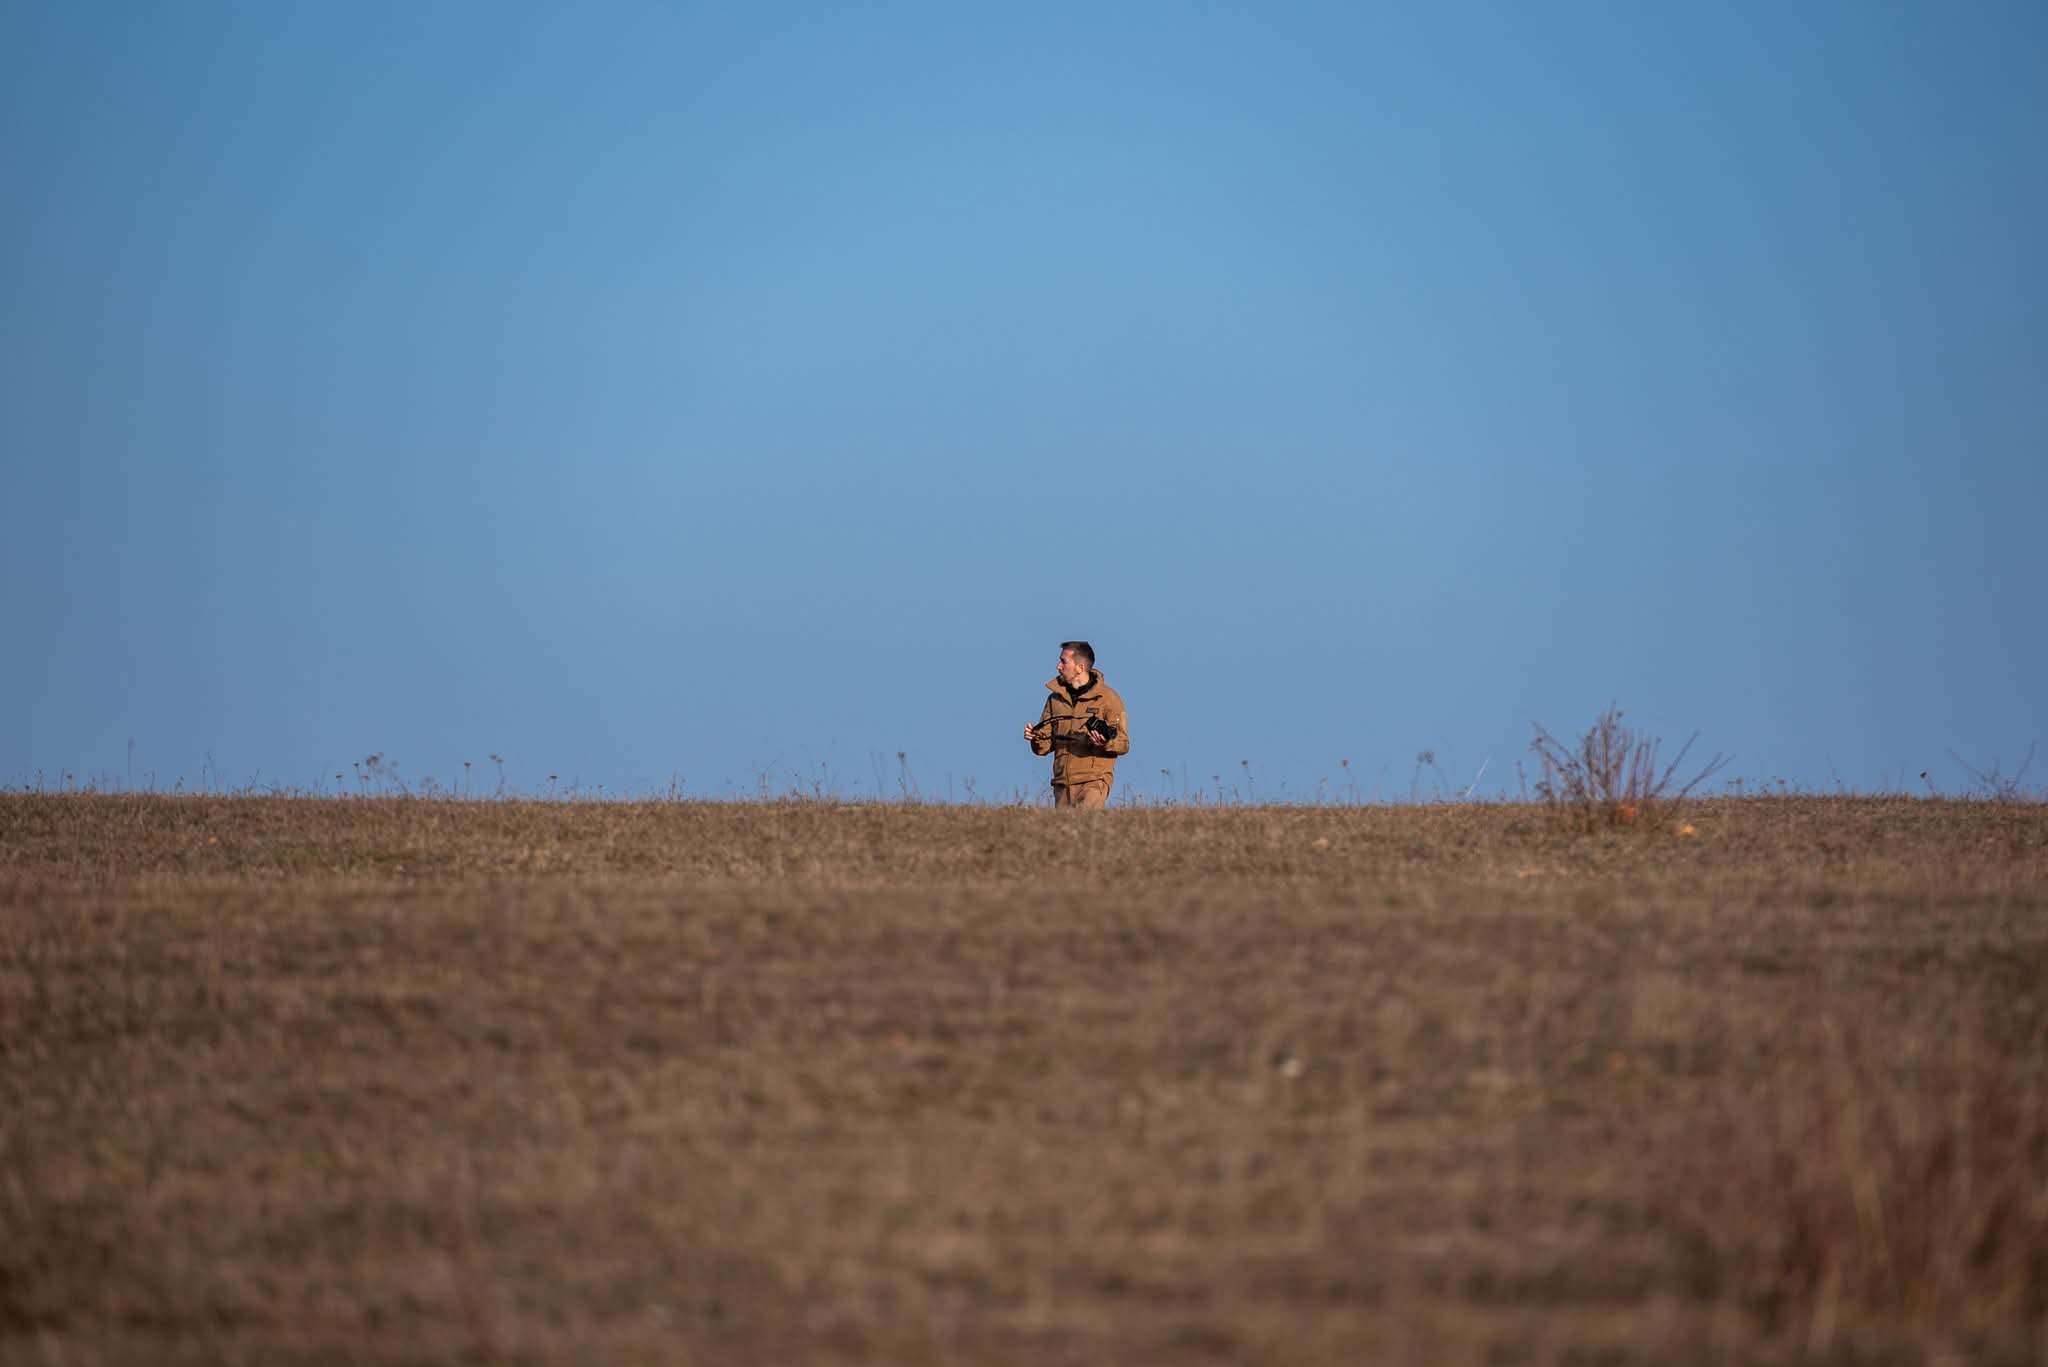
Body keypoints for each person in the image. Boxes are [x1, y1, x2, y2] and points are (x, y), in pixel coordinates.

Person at [1023, 641, 1131, 808]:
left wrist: (1105, 742)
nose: (1058, 666)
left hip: (1093, 782)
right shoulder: (1055, 700)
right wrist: (1035, 737)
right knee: (1064, 833)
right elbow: (1042, 748)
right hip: (1062, 785)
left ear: (1080, 667)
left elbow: (1123, 744)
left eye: (1063, 661)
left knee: (1088, 829)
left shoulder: (1108, 699)